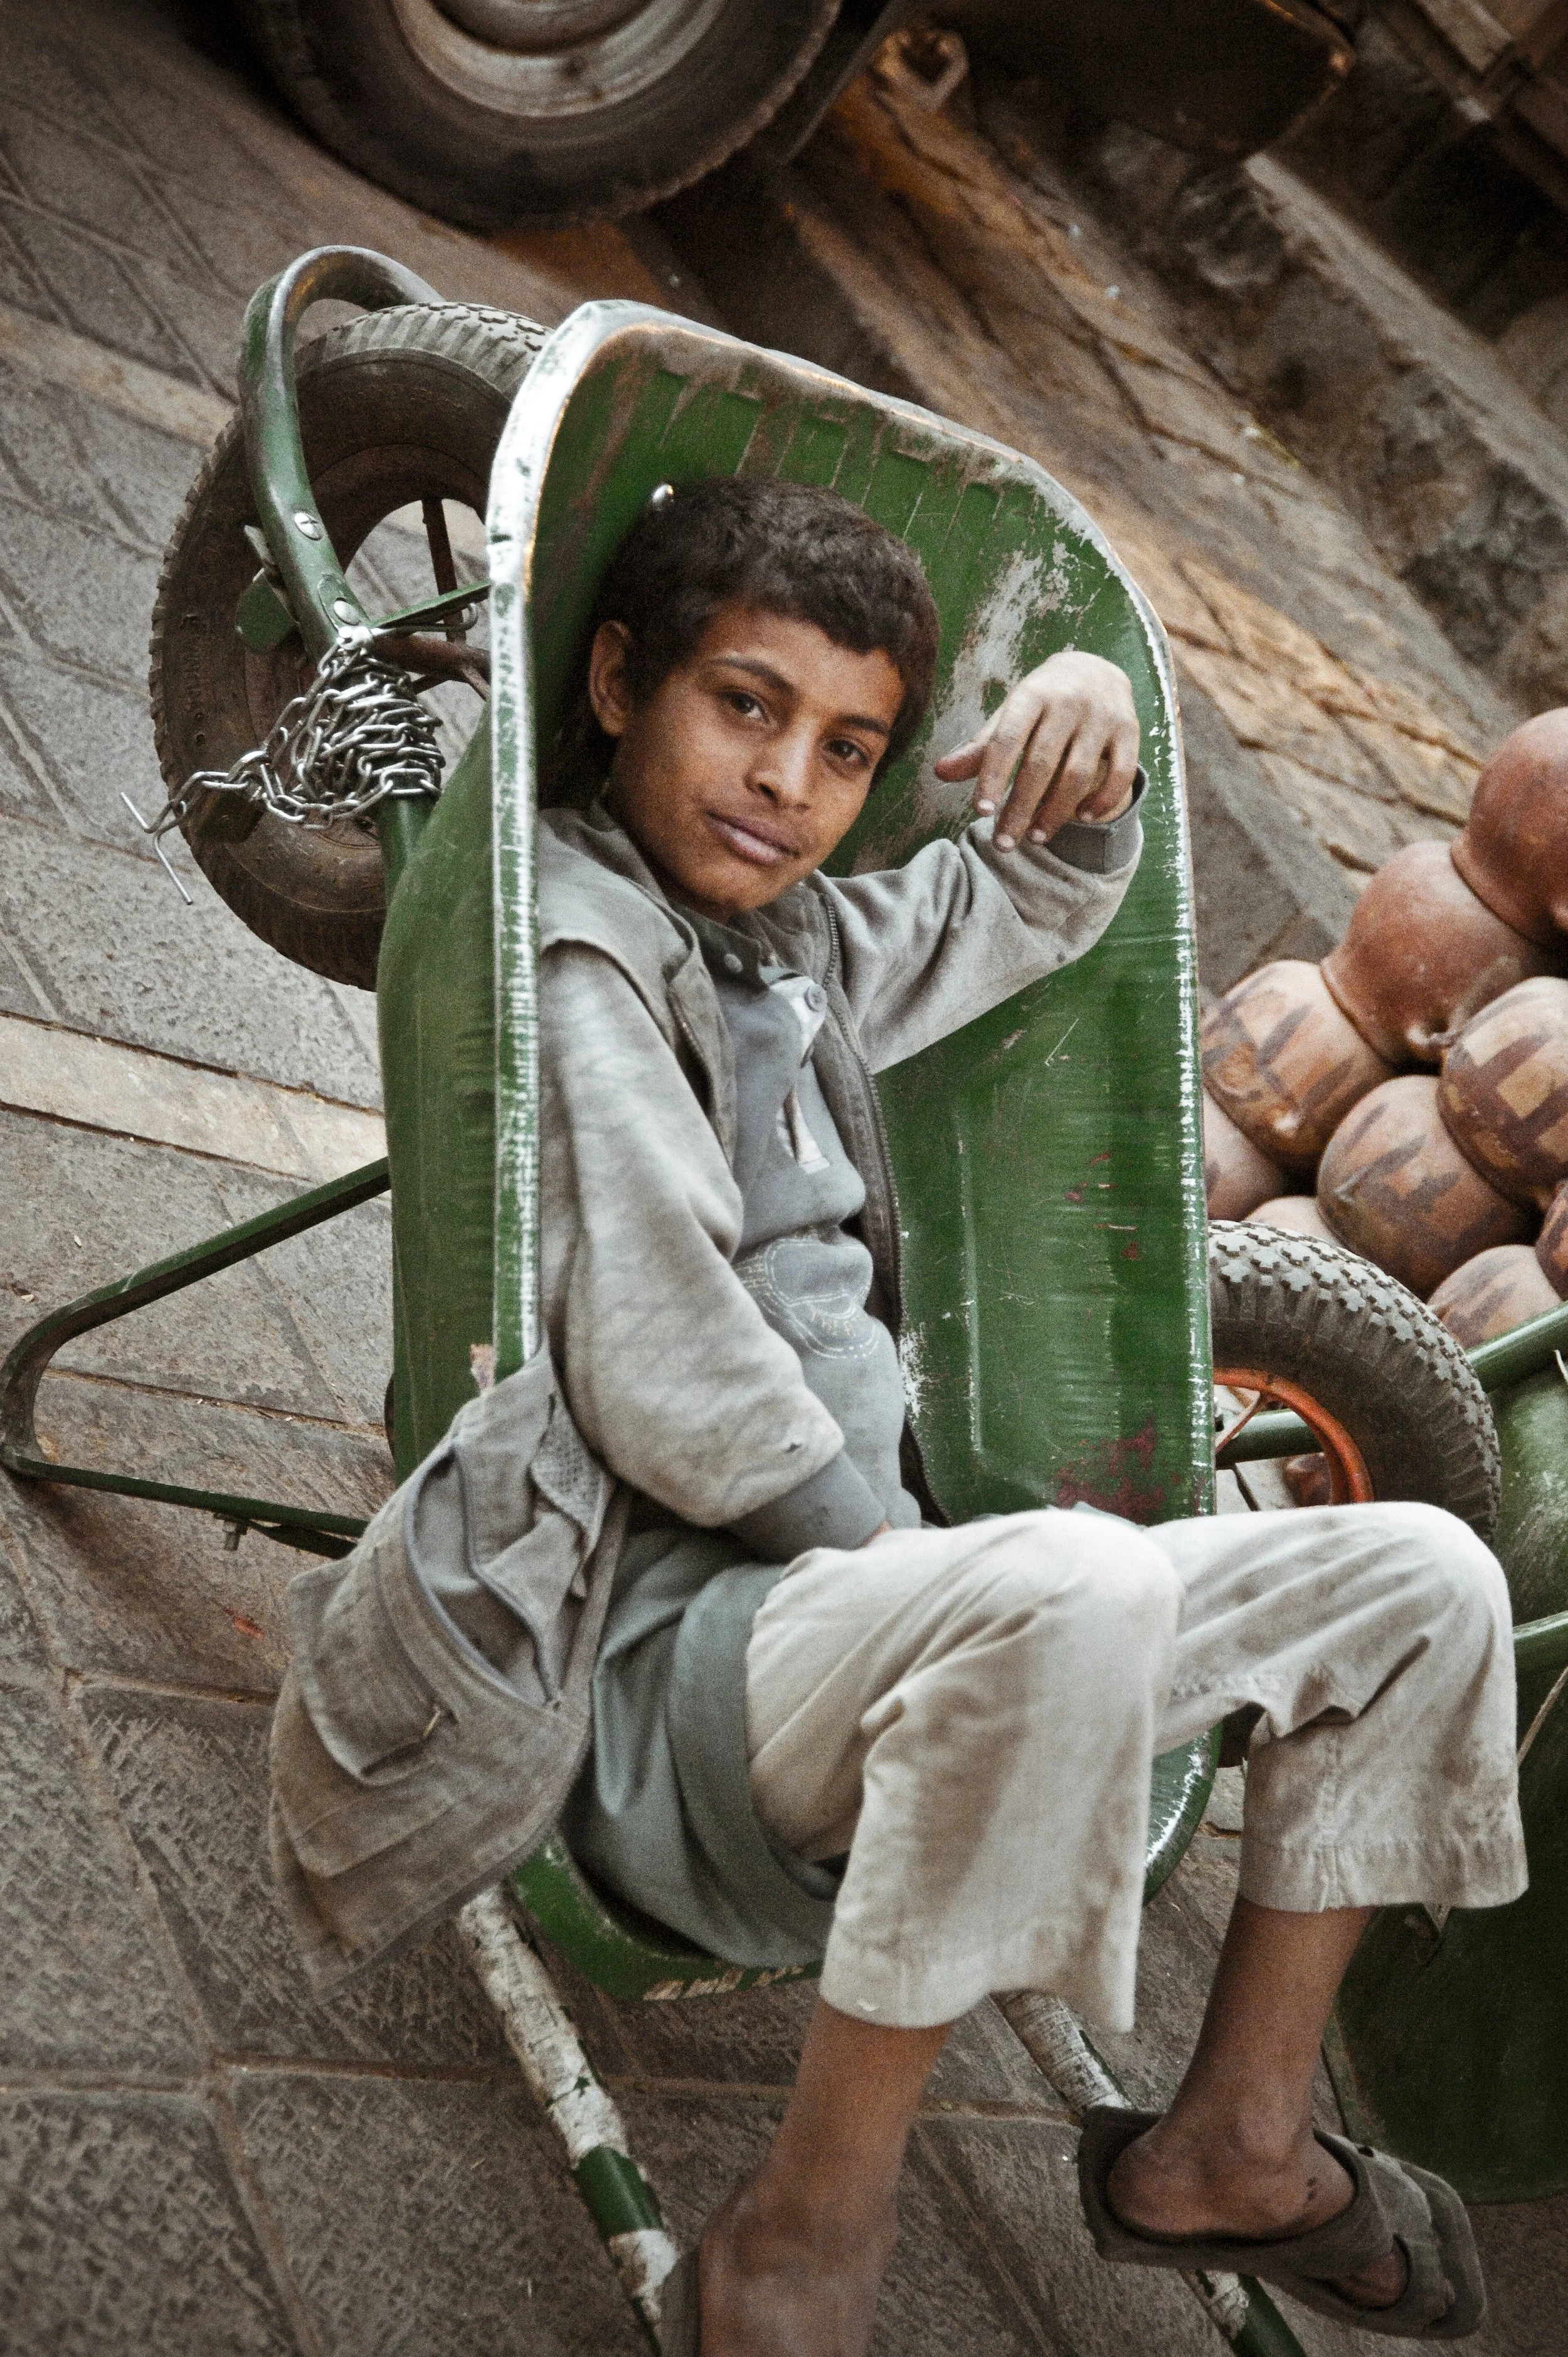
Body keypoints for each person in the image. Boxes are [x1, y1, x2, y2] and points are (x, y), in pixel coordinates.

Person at [530, 476, 1524, 2354]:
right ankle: (800, 2235)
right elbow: (667, 1379)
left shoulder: (795, 940)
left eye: (845, 748)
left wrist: (1090, 709)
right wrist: (931, 1576)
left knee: (1423, 1581)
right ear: (612, 683)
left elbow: (1032, 894)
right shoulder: (592, 952)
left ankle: (1228, 2137)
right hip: (664, 1669)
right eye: (740, 705)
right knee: (1064, 1587)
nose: (786, 783)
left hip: (865, 1627)